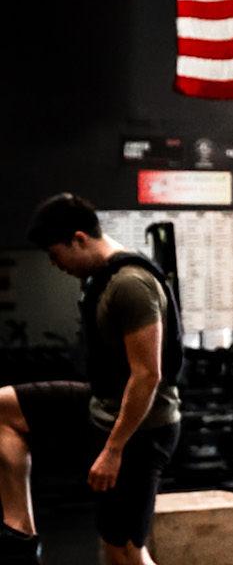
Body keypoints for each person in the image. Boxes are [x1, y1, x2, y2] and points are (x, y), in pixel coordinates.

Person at [0, 193, 182, 565]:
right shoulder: (103, 278)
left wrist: (113, 451)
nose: (55, 265)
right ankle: (20, 538)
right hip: (104, 403)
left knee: (125, 551)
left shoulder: (131, 284)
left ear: (79, 239)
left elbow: (148, 375)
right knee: (4, 408)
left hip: (142, 429)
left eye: (55, 255)